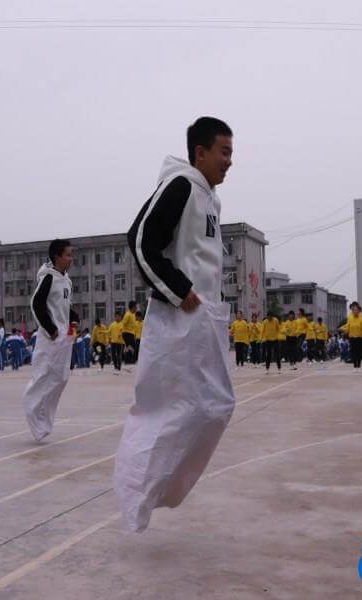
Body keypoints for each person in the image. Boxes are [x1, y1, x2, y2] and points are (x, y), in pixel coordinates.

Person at [116, 116, 236, 532]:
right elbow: (140, 239)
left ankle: (159, 488)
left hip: (205, 319)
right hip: (177, 318)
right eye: (223, 152)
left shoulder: (210, 200)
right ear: (200, 152)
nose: (229, 162)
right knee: (167, 410)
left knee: (215, 407)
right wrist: (178, 289)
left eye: (231, 154)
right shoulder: (181, 185)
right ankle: (136, 488)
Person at [24, 238, 78, 441]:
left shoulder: (67, 280)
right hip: (50, 338)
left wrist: (73, 324)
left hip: (65, 337)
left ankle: (43, 422)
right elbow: (36, 304)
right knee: (43, 377)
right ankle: (31, 408)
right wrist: (52, 330)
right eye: (68, 255)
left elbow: (66, 307)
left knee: (60, 378)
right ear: (57, 257)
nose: (71, 259)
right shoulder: (48, 278)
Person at [340, 301, 362, 369]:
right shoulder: (350, 317)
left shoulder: (361, 317)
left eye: (356, 309)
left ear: (358, 310)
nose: (354, 310)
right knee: (353, 352)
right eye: (353, 309)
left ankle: (360, 362)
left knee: (359, 351)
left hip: (360, 337)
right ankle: (355, 366)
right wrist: (343, 329)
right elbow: (347, 326)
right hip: (352, 337)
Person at [121, 300, 138, 365]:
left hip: (131, 333)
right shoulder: (127, 314)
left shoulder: (133, 315)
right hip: (126, 333)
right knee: (131, 346)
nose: (136, 308)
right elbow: (123, 323)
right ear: (132, 307)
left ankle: (129, 359)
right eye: (135, 307)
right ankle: (128, 360)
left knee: (131, 346)